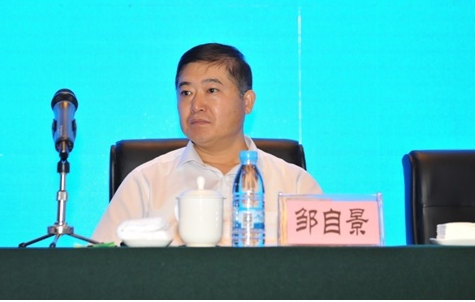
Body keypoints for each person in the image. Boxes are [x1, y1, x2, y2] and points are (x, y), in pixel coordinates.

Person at [92, 43, 322, 246]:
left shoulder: (295, 184)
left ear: (247, 102)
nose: (196, 105)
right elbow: (100, 265)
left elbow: (324, 266)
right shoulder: (145, 183)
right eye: (186, 92)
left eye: (211, 90)